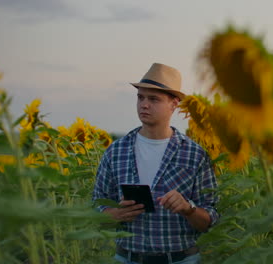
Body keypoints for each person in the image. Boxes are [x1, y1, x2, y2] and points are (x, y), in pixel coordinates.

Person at [92, 63, 219, 264]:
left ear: (174, 104)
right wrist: (115, 214)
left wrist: (188, 208)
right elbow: (96, 206)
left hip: (180, 260)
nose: (144, 104)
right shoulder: (115, 152)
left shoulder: (195, 155)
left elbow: (210, 220)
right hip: (128, 258)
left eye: (154, 99)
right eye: (140, 97)